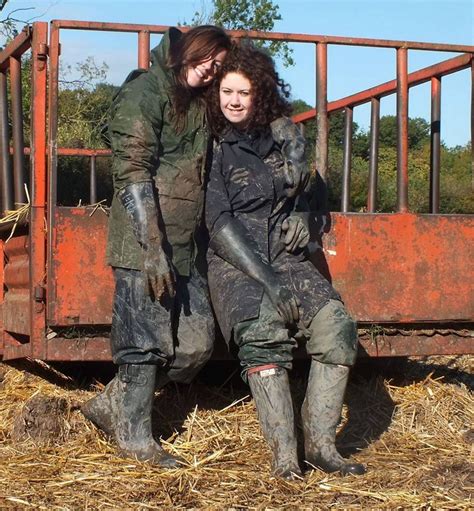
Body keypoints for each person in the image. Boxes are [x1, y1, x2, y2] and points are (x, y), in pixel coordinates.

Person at [205, 43, 367, 480]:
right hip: (237, 262)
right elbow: (217, 221)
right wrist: (268, 280)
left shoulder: (283, 140)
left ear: (261, 94)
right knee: (263, 335)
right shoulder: (212, 145)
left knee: (339, 330)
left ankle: (321, 446)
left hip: (289, 259)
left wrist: (307, 216)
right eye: (227, 92)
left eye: (244, 92)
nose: (234, 101)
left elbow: (315, 197)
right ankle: (284, 458)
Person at [81, 25, 231, 467]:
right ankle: (135, 438)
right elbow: (131, 170)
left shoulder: (199, 104)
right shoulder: (145, 91)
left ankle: (112, 406)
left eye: (218, 67)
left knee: (197, 343)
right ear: (184, 50)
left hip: (184, 243)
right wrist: (151, 249)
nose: (209, 71)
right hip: (143, 241)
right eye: (205, 59)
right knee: (142, 342)